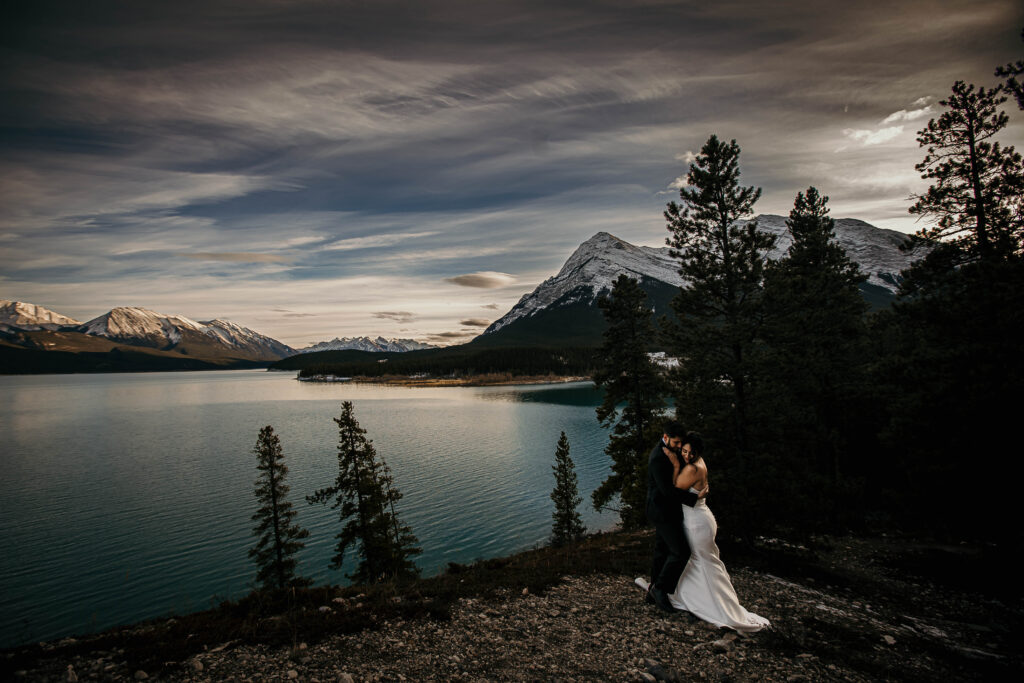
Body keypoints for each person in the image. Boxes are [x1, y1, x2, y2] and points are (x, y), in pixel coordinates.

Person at [661, 432, 769, 632]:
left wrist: (676, 465)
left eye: (690, 453)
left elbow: (674, 491)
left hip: (695, 522)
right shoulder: (700, 463)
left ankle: (714, 605)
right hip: (702, 517)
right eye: (683, 451)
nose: (686, 455)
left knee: (700, 559)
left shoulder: (692, 469)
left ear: (697, 453)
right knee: (704, 560)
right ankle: (709, 598)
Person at [641, 421, 706, 615]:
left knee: (662, 550)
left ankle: (652, 591)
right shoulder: (657, 458)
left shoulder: (673, 451)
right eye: (676, 443)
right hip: (661, 511)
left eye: (681, 443)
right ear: (666, 437)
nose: (680, 447)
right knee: (681, 552)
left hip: (668, 509)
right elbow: (668, 492)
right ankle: (661, 589)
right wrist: (695, 498)